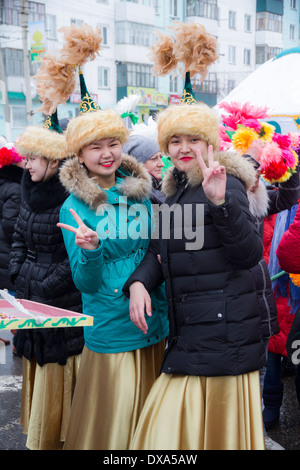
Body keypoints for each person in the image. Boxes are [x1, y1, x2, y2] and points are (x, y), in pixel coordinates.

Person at [123, 103, 266, 450]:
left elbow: (249, 254)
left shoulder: (224, 183)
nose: (183, 148)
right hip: (193, 332)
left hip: (223, 334)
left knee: (167, 434)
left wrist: (222, 204)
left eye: (193, 139)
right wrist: (139, 283)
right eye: (174, 140)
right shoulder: (175, 191)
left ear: (209, 142)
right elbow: (160, 249)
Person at [58, 108, 168, 450]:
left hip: (152, 315)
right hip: (111, 323)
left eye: (113, 143)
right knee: (113, 426)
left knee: (150, 423)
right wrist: (91, 250)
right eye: (95, 147)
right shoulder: (73, 207)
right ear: (79, 154)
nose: (106, 154)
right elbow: (85, 283)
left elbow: (155, 249)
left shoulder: (140, 192)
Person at [9, 123, 83, 450]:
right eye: (26, 159)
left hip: (60, 298)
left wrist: (48, 284)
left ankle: (63, 433)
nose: (27, 165)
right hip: (30, 292)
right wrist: (18, 272)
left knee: (59, 367)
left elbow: (76, 255)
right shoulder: (28, 190)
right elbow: (18, 237)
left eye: (34, 159)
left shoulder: (73, 196)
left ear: (54, 161)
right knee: (36, 362)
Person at [0, 144, 25, 346]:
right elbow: (10, 224)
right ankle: (19, 340)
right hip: (7, 250)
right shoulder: (15, 188)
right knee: (14, 299)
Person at [123, 134, 165, 204]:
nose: (161, 164)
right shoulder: (140, 196)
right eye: (154, 158)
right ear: (136, 163)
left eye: (160, 157)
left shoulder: (159, 186)